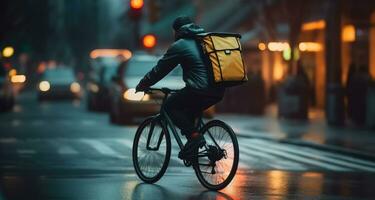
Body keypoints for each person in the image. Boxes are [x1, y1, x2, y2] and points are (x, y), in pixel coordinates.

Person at [136, 16, 225, 159]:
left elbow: (160, 69)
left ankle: (195, 137)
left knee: (169, 107)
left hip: (199, 90)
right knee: (188, 113)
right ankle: (194, 149)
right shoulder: (205, 41)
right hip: (218, 91)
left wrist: (143, 84)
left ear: (176, 31)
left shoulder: (180, 45)